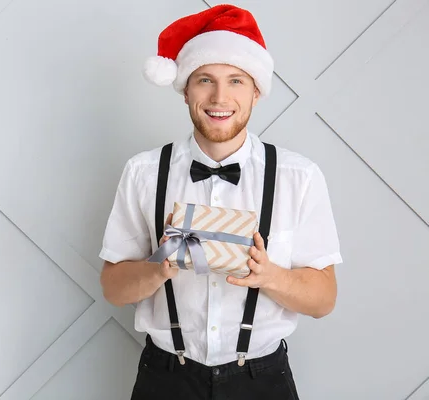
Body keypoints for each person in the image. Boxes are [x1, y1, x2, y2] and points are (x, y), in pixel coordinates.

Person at [99, 4, 342, 400]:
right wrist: (158, 267)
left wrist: (271, 276)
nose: (219, 96)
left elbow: (324, 300)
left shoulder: (299, 177)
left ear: (257, 92)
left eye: (236, 81)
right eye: (205, 80)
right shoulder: (143, 172)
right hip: (166, 378)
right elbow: (112, 287)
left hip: (262, 380)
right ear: (185, 90)